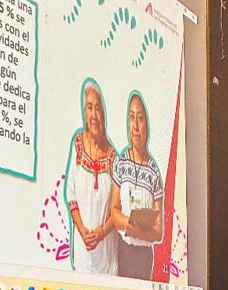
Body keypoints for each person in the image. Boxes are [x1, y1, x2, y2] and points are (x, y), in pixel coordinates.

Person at [65, 79, 117, 275]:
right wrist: (83, 232)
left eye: (97, 108)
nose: (94, 115)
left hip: (106, 256)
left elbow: (117, 208)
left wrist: (101, 232)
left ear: (103, 114)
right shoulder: (77, 144)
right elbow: (71, 195)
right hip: (83, 253)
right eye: (89, 108)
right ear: (84, 114)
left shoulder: (112, 156)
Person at [110, 92, 163, 279]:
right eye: (131, 117)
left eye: (140, 118)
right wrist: (129, 225)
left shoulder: (154, 173)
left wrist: (140, 232)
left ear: (147, 124)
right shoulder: (121, 162)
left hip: (144, 256)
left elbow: (158, 231)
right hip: (124, 250)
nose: (135, 126)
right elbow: (114, 210)